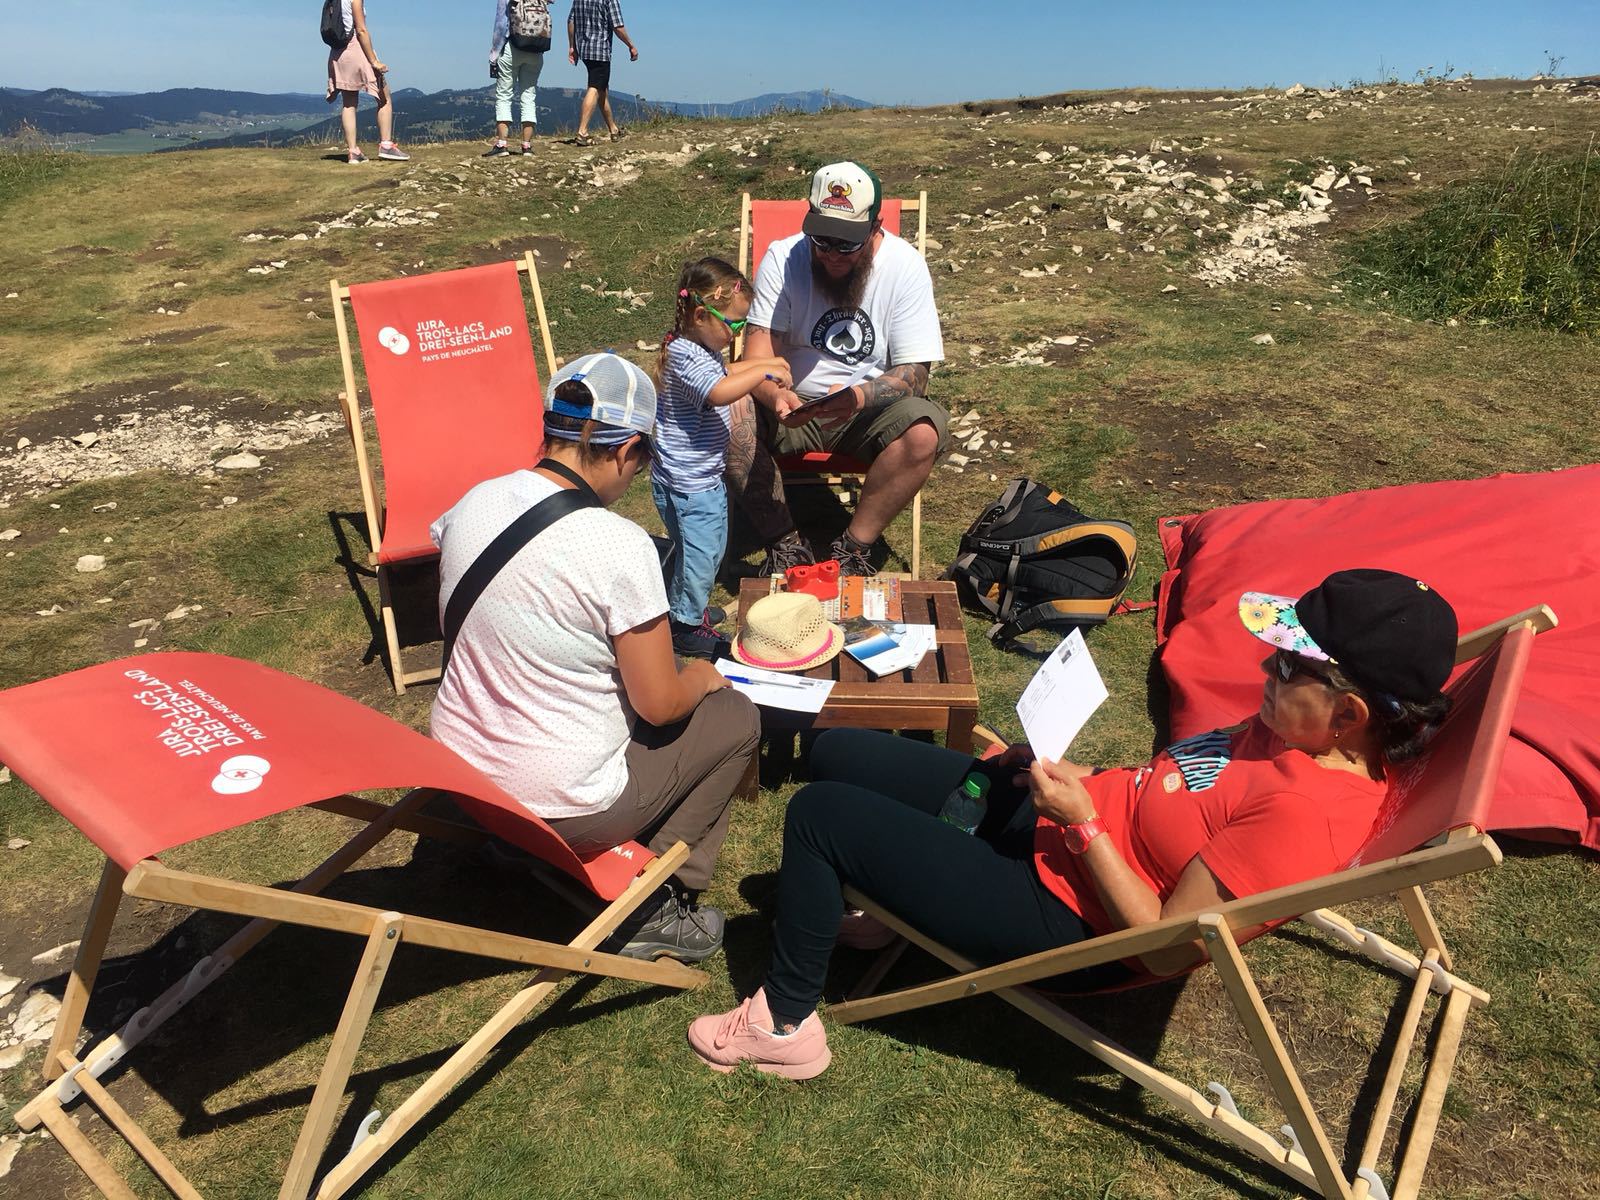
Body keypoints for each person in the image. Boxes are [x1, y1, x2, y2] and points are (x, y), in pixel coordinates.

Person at [686, 568, 1458, 1077]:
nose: (1267, 669)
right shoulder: (1294, 730)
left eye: (1290, 665)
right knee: (839, 750)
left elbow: (1162, 947)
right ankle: (891, 905)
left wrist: (1083, 825)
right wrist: (1068, 776)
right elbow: (1171, 786)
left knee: (820, 815)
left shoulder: (1303, 814)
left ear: (1351, 714)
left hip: (1070, 916)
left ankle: (784, 1028)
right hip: (1065, 827)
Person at [430, 352, 759, 963]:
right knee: (736, 718)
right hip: (559, 805)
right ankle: (656, 903)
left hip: (461, 776)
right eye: (644, 461)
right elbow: (660, 705)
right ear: (628, 449)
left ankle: (510, 848)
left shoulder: (475, 500)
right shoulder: (619, 545)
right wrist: (704, 677)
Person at [729, 161, 949, 578]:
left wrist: (859, 397)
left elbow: (916, 375)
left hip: (866, 410)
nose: (831, 254)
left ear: (874, 226)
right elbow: (755, 358)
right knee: (730, 406)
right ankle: (786, 544)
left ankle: (851, 548)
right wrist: (776, 394)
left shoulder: (905, 266)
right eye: (822, 239)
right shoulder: (784, 256)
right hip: (791, 407)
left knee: (924, 430)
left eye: (846, 243)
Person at [653, 258, 793, 659]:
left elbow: (726, 371)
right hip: (689, 484)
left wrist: (765, 363)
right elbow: (719, 391)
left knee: (701, 551)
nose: (737, 333)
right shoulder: (685, 355)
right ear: (701, 314)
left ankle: (685, 611)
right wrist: (764, 374)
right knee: (702, 556)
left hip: (694, 477)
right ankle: (685, 627)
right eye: (733, 324)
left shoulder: (696, 347)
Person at [325, 0, 410, 164]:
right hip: (357, 51)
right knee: (384, 98)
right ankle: (386, 146)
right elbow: (361, 30)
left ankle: (353, 152)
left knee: (349, 103)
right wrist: (374, 61)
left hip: (338, 54)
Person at [566, 0, 637, 146]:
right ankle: (582, 132)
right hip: (600, 50)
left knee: (602, 89)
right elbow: (617, 26)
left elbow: (571, 21)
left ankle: (613, 129)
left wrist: (572, 46)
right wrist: (630, 45)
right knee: (595, 87)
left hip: (584, 49)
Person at [486, 0, 549, 157]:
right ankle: (527, 146)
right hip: (536, 49)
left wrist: (494, 51)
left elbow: (501, 23)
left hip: (512, 47)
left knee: (504, 95)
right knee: (528, 95)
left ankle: (502, 145)